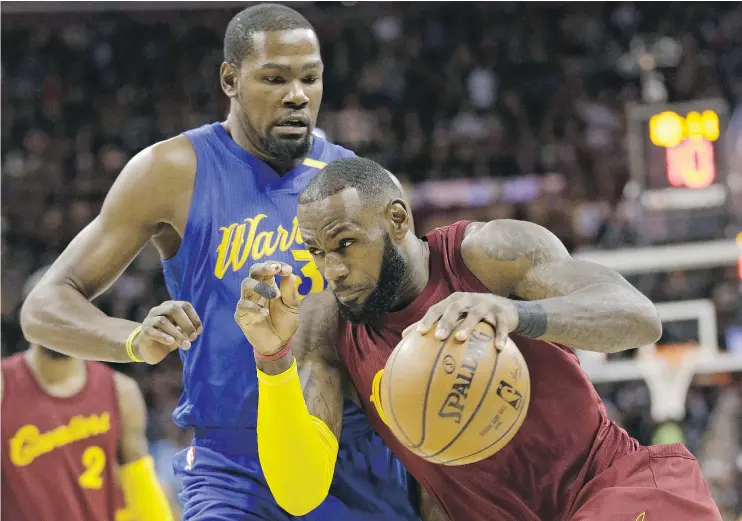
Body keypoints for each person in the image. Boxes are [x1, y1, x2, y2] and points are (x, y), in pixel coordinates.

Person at [20, 5, 425, 521]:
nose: (297, 95)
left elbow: (412, 314)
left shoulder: (359, 184)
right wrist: (132, 340)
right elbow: (43, 307)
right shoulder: (171, 171)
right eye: (275, 78)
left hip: (353, 448)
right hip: (233, 465)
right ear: (230, 79)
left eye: (310, 78)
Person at [235, 157, 723, 521]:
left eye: (345, 244)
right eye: (316, 252)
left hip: (616, 487)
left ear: (398, 220)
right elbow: (298, 492)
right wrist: (272, 358)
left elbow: (638, 317)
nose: (332, 269)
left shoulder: (487, 254)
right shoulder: (326, 326)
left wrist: (517, 312)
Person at [2, 270, 174, 521]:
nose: (57, 323)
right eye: (47, 313)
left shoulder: (119, 390)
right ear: (26, 318)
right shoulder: (4, 386)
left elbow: (140, 484)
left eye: (67, 313)